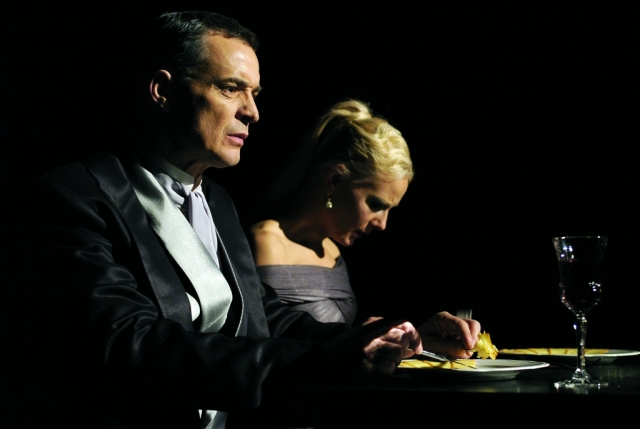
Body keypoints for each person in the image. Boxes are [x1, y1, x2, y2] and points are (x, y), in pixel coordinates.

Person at [3, 10, 481, 429]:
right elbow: (128, 345)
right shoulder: (73, 196)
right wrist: (319, 361)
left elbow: (260, 314)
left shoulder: (218, 201)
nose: (252, 112)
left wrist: (394, 337)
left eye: (254, 94)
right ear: (162, 91)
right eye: (231, 89)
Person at [248, 99, 412, 325]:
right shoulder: (266, 243)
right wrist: (354, 339)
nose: (382, 224)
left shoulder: (332, 250)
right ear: (335, 180)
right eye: (375, 204)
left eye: (390, 210)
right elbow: (264, 337)